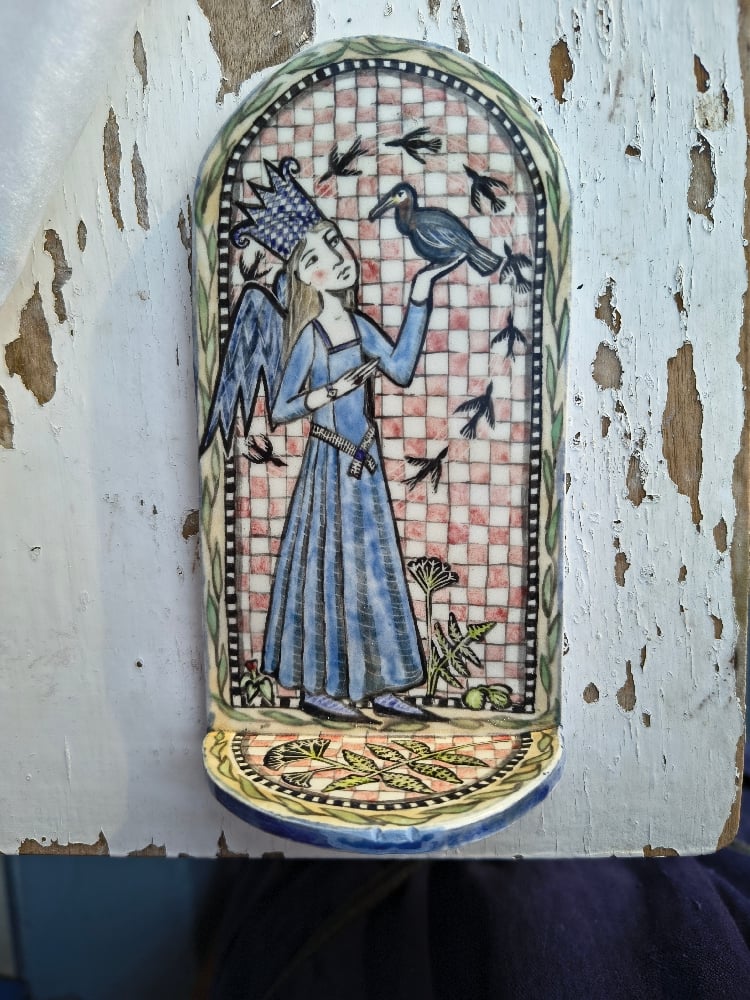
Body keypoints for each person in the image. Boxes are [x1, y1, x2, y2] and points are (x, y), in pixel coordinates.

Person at [263, 218, 460, 722]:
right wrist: (331, 390)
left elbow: (401, 368)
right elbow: (281, 408)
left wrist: (420, 292)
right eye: (315, 258)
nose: (334, 258)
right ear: (305, 279)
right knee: (327, 570)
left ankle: (382, 684)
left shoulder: (359, 325)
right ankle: (320, 687)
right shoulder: (310, 336)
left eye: (333, 243)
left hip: (364, 466)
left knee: (373, 572)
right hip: (329, 467)